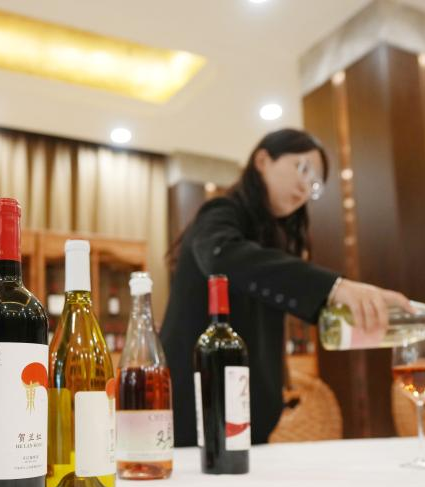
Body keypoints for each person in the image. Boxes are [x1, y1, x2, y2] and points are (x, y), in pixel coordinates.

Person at [160, 128, 411, 446]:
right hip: (194, 405)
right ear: (262, 160)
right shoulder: (221, 211)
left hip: (250, 414)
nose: (306, 187)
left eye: (315, 184)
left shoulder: (274, 239)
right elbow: (222, 256)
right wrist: (335, 287)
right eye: (302, 169)